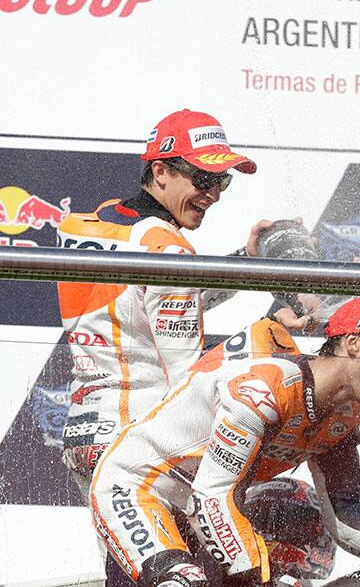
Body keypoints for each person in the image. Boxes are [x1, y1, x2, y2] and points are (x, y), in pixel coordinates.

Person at [89, 296, 360, 586]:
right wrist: (261, 576)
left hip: (195, 509)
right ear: (354, 344)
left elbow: (344, 506)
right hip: (136, 489)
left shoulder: (344, 417)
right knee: (184, 581)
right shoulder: (266, 388)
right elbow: (214, 497)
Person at [57, 108, 276, 498]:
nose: (213, 195)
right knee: (193, 559)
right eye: (204, 178)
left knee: (125, 560)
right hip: (140, 438)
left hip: (84, 430)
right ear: (160, 171)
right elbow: (187, 382)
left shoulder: (85, 224)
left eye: (222, 182)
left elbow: (147, 304)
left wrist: (245, 258)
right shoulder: (167, 248)